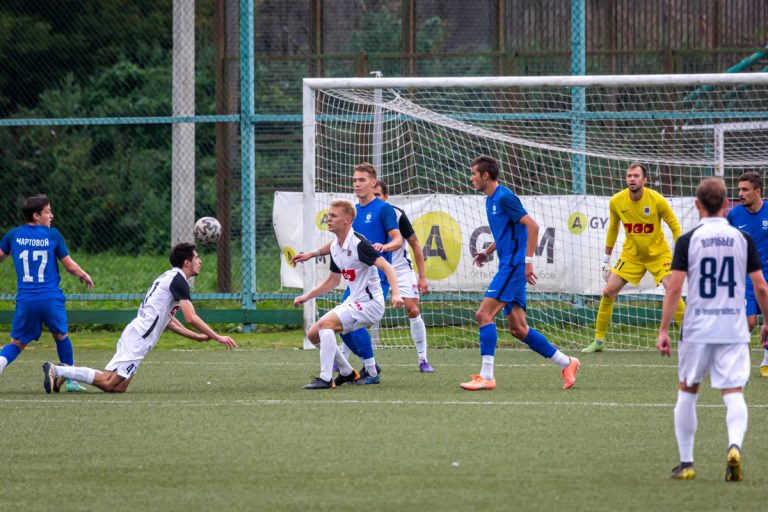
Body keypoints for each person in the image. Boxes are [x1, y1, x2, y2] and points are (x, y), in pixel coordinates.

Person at [657, 178, 768, 481]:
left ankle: (687, 462)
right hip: (732, 326)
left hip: (696, 328)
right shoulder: (741, 239)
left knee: (688, 391)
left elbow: (674, 288)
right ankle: (733, 446)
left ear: (697, 205)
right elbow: (760, 286)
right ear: (727, 204)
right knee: (734, 392)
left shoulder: (688, 240)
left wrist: (664, 330)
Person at [42, 243, 237, 393]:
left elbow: (167, 320)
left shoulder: (170, 277)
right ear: (187, 262)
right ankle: (59, 371)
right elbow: (191, 317)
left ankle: (66, 371)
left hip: (137, 335)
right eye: (196, 257)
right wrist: (218, 337)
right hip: (139, 337)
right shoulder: (178, 281)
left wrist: (197, 337)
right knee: (109, 383)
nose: (200, 261)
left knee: (119, 388)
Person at [462, 155, 579, 391]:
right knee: (518, 328)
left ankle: (487, 376)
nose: (471, 177)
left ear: (485, 175)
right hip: (508, 263)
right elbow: (506, 232)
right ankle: (566, 362)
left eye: (474, 173)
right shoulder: (490, 199)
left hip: (514, 266)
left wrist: (527, 262)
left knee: (483, 314)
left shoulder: (505, 197)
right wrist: (488, 251)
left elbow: (532, 226)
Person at [291, 162, 402, 384]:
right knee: (314, 334)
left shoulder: (365, 236)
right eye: (354, 180)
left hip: (371, 300)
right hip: (355, 297)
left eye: (333, 216)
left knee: (327, 325)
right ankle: (347, 371)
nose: (329, 219)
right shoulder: (336, 245)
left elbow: (389, 262)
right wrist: (307, 295)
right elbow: (332, 280)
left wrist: (396, 294)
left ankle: (327, 377)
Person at [583, 163, 686, 353]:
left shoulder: (657, 200)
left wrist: (682, 253)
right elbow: (613, 229)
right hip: (632, 255)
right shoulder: (617, 201)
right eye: (629, 175)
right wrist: (606, 260)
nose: (632, 179)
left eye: (636, 176)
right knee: (608, 292)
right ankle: (598, 340)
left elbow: (674, 225)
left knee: (673, 289)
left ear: (644, 180)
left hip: (658, 254)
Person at [0, 194, 94, 392]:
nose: (51, 215)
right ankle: (70, 381)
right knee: (61, 336)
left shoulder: (13, 235)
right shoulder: (52, 236)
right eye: (48, 212)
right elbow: (69, 265)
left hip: (26, 300)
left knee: (16, 343)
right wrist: (84, 274)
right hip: (50, 299)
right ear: (36, 216)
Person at [373, 180, 433, 372]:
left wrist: (422, 276)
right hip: (373, 269)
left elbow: (414, 243)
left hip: (400, 269)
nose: (374, 199)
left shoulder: (397, 214)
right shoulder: (360, 213)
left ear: (385, 197)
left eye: (378, 195)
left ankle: (423, 359)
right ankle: (343, 357)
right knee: (357, 312)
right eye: (371, 195)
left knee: (413, 310)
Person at [726, 172, 768, 376]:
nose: (740, 193)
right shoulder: (734, 215)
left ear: (757, 191)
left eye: (745, 190)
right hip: (746, 278)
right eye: (739, 189)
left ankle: (767, 360)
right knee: (749, 322)